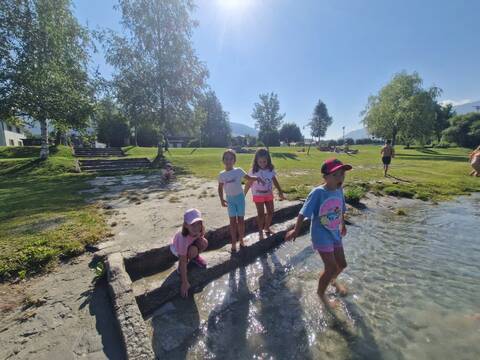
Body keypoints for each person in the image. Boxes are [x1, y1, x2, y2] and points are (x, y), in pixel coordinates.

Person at [285, 158, 352, 308]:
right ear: (326, 177)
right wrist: (296, 230)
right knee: (331, 267)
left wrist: (342, 224)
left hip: (335, 232)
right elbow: (303, 213)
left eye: (342, 174)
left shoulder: (339, 190)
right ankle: (321, 294)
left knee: (342, 264)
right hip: (321, 234)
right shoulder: (318, 193)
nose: (340, 177)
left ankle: (332, 280)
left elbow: (340, 208)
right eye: (336, 175)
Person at [218, 149, 264, 253]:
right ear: (223, 160)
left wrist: (257, 178)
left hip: (240, 199)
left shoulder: (238, 171)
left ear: (234, 160)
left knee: (241, 220)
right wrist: (221, 200)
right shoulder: (222, 175)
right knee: (232, 222)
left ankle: (241, 240)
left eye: (231, 158)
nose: (228, 161)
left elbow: (249, 178)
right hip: (230, 200)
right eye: (226, 158)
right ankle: (234, 242)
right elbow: (220, 188)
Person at [244, 148, 286, 240]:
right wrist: (243, 195)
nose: (263, 164)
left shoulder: (270, 169)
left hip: (268, 194)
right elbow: (248, 183)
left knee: (271, 211)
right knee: (261, 214)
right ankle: (260, 232)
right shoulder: (253, 171)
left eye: (264, 161)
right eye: (260, 162)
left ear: (268, 160)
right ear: (256, 161)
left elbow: (275, 180)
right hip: (258, 195)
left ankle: (266, 228)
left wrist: (280, 191)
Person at [169, 208, 209, 298]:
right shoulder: (182, 238)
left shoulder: (200, 229)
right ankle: (180, 269)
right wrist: (184, 282)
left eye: (198, 223)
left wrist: (198, 239)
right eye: (192, 224)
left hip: (189, 244)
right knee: (191, 253)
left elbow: (199, 238)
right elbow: (183, 260)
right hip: (176, 247)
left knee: (204, 242)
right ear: (186, 225)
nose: (196, 227)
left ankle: (194, 258)